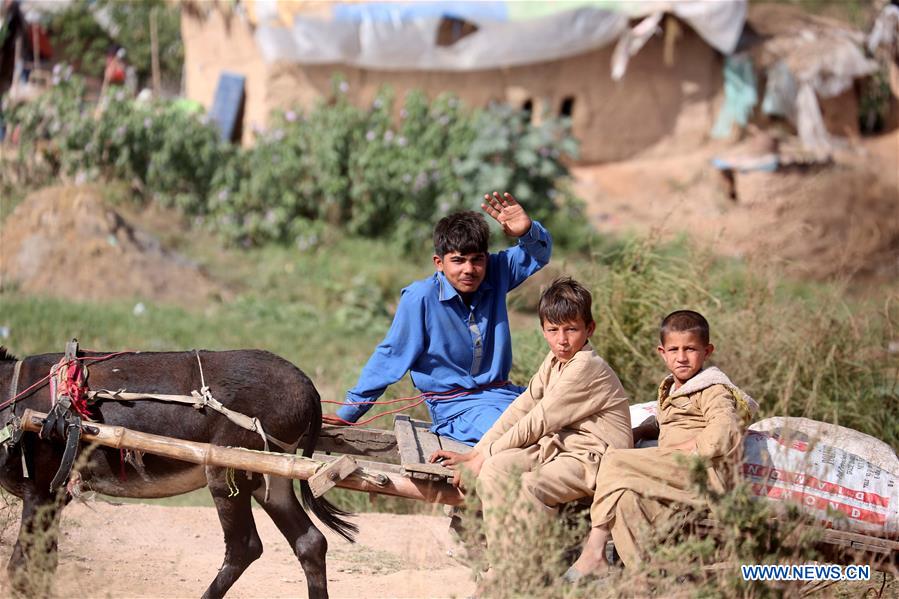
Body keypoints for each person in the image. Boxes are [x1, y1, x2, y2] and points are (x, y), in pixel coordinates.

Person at [429, 277, 633, 552]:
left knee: (529, 486)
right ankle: (503, 564)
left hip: (595, 457)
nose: (562, 340)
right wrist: (476, 455)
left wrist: (482, 456)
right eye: (553, 330)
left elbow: (538, 422)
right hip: (560, 446)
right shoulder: (555, 361)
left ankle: (531, 567)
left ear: (589, 329)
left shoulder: (586, 366)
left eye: (571, 329)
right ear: (543, 330)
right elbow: (523, 406)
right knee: (494, 469)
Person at [335, 192, 552, 444]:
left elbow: (539, 255)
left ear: (486, 259)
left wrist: (527, 231)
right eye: (458, 261)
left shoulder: (496, 271)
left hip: (504, 395)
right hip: (456, 409)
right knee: (518, 436)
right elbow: (390, 357)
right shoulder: (420, 298)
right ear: (439, 262)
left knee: (570, 417)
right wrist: (348, 412)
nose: (469, 270)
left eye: (476, 260)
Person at [566, 309, 757, 580]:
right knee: (624, 500)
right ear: (662, 352)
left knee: (613, 459)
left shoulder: (713, 389)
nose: (681, 357)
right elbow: (672, 422)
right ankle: (644, 583)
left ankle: (593, 552)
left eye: (690, 349)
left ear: (707, 351)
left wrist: (689, 447)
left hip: (698, 475)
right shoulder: (671, 388)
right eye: (674, 349)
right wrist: (644, 428)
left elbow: (724, 429)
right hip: (671, 475)